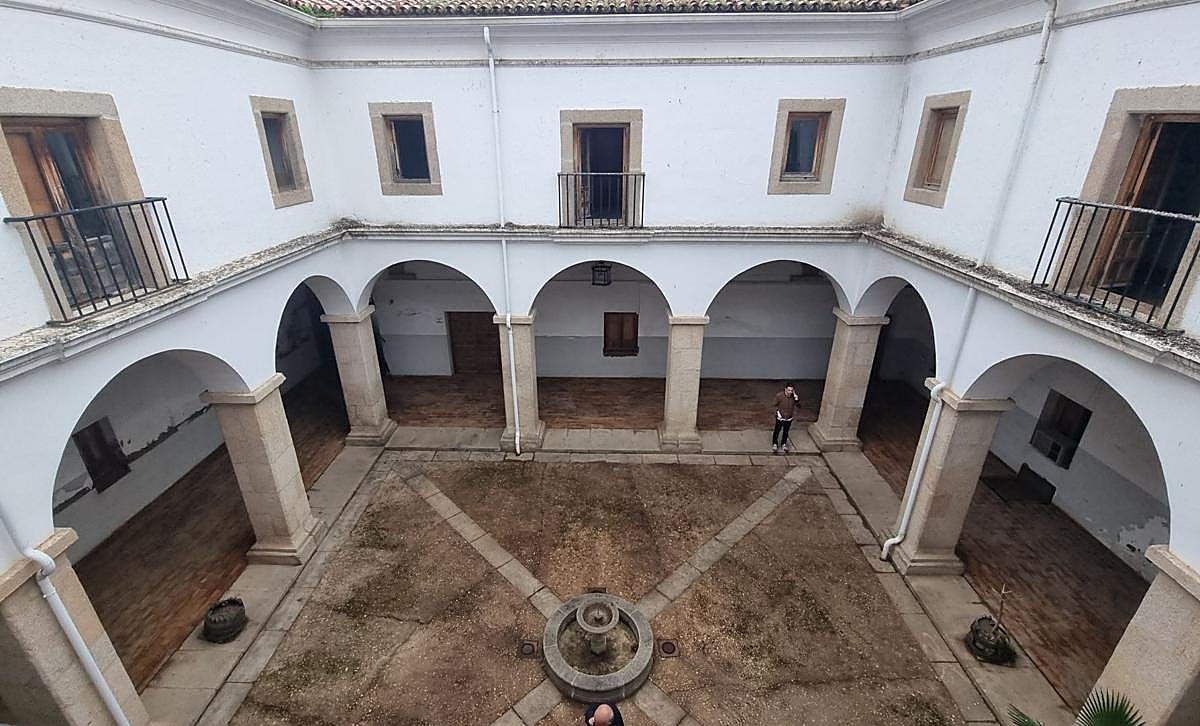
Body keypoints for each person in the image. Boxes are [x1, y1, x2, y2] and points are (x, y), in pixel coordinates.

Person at [772, 382, 800, 454]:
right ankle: (775, 443)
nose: (790, 392)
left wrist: (796, 399)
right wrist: (777, 414)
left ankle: (783, 444)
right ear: (785, 389)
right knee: (777, 430)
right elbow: (774, 405)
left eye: (791, 390)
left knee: (786, 431)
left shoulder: (793, 397)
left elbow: (799, 406)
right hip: (780, 417)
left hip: (789, 418)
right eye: (788, 390)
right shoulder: (779, 396)